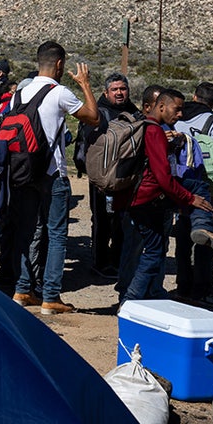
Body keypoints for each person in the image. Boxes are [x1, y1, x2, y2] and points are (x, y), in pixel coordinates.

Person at [0, 41, 99, 315]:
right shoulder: (60, 92)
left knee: (28, 229)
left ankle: (22, 289)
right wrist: (86, 84)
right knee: (56, 234)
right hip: (52, 172)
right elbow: (93, 117)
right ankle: (51, 296)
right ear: (59, 64)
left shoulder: (18, 93)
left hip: (23, 170)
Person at [113, 87, 213, 303]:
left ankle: (131, 298)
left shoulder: (142, 127)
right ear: (161, 106)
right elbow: (163, 178)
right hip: (148, 198)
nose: (180, 115)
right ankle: (202, 226)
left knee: (151, 249)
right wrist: (189, 198)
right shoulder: (155, 131)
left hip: (134, 197)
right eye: (176, 110)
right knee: (154, 252)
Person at [173, 82, 213, 308]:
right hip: (210, 189)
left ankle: (182, 287)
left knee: (182, 239)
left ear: (194, 96)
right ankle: (201, 291)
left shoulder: (178, 118)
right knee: (206, 242)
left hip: (182, 184)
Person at [75, 73, 139, 279]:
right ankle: (100, 263)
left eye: (123, 89)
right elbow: (88, 146)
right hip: (101, 177)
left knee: (123, 220)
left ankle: (118, 260)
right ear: (106, 92)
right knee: (102, 221)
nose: (120, 93)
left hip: (126, 177)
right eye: (115, 89)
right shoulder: (98, 113)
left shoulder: (133, 112)